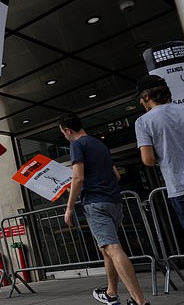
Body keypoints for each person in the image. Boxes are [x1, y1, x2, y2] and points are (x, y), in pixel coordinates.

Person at [60, 114, 149, 305]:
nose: (65, 137)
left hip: (95, 203)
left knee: (113, 249)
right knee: (106, 249)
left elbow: (78, 178)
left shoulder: (77, 145)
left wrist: (69, 207)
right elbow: (116, 176)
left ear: (68, 130)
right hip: (114, 202)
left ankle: (140, 301)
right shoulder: (99, 144)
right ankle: (111, 293)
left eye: (63, 133)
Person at [135, 74, 184, 244]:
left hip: (181, 187)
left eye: (140, 98)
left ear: (146, 96)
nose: (140, 103)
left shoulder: (143, 122)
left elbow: (148, 160)